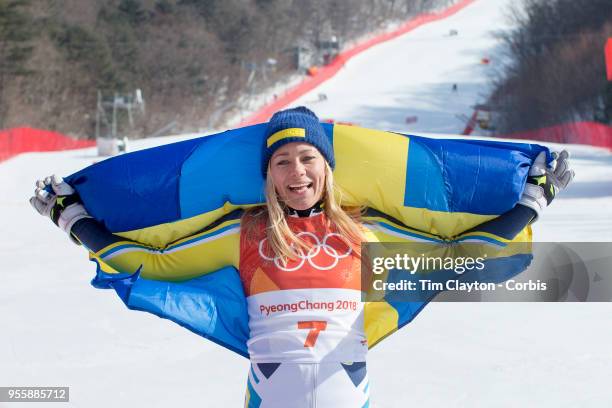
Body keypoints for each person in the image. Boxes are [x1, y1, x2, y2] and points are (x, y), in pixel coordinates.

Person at [30, 107, 574, 407]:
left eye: (308, 158)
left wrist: (531, 202)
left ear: (327, 166)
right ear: (266, 174)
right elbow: (149, 264)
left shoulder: (366, 230)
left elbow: (461, 257)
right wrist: (72, 218)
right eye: (282, 162)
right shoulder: (242, 232)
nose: (297, 173)